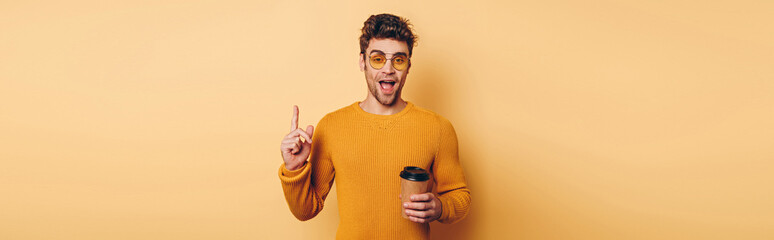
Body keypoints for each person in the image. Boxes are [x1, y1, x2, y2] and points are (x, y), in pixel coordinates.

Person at [278, 13, 470, 239]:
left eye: (398, 60)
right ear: (362, 61)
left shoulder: (438, 128)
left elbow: (460, 197)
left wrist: (440, 207)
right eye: (378, 59)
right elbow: (306, 210)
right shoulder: (331, 126)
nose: (388, 69)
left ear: (408, 66)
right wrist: (294, 169)